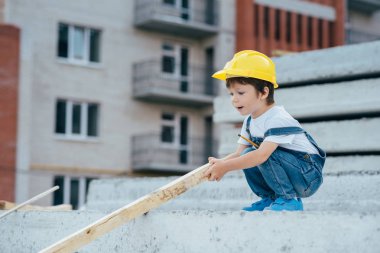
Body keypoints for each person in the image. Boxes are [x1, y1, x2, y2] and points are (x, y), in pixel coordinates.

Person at [204, 50, 326, 211]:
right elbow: (240, 154)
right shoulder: (249, 121)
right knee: (248, 153)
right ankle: (270, 198)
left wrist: (226, 167)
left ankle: (288, 200)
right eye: (231, 93)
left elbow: (262, 155)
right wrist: (222, 163)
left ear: (263, 92)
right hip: (289, 170)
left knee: (260, 154)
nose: (234, 98)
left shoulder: (277, 118)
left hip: (307, 176)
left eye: (240, 92)